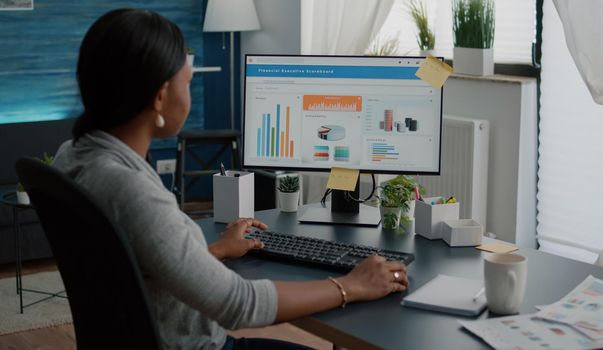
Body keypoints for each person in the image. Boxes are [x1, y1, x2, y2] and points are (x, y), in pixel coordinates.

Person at [53, 8, 409, 350]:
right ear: (160, 97)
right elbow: (237, 304)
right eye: (188, 81)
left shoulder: (75, 155)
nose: (189, 94)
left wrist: (215, 251)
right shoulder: (130, 190)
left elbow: (130, 269)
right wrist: (349, 285)